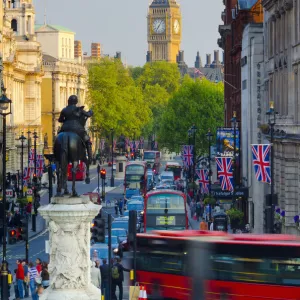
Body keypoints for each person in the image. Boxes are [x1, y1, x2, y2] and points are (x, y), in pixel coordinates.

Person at [58, 95, 93, 163]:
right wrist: (91, 111)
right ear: (76, 102)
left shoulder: (64, 110)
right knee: (87, 141)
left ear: (69, 101)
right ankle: (90, 158)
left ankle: (57, 154)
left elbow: (60, 120)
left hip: (65, 129)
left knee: (58, 138)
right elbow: (88, 115)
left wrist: (66, 120)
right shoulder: (78, 109)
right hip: (77, 129)